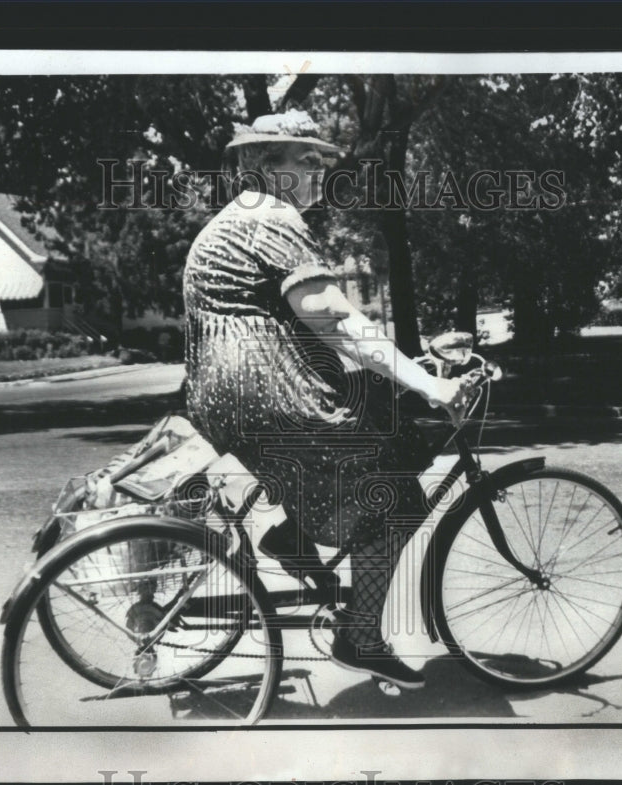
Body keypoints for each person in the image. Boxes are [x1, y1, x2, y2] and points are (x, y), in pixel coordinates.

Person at [183, 110, 465, 689]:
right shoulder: (272, 215)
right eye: (306, 161)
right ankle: (360, 637)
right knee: (399, 496)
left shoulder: (237, 218)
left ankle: (296, 531)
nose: (319, 172)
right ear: (264, 165)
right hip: (264, 391)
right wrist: (431, 384)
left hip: (227, 391)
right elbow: (332, 317)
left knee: (377, 415)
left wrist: (404, 371)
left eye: (322, 162)